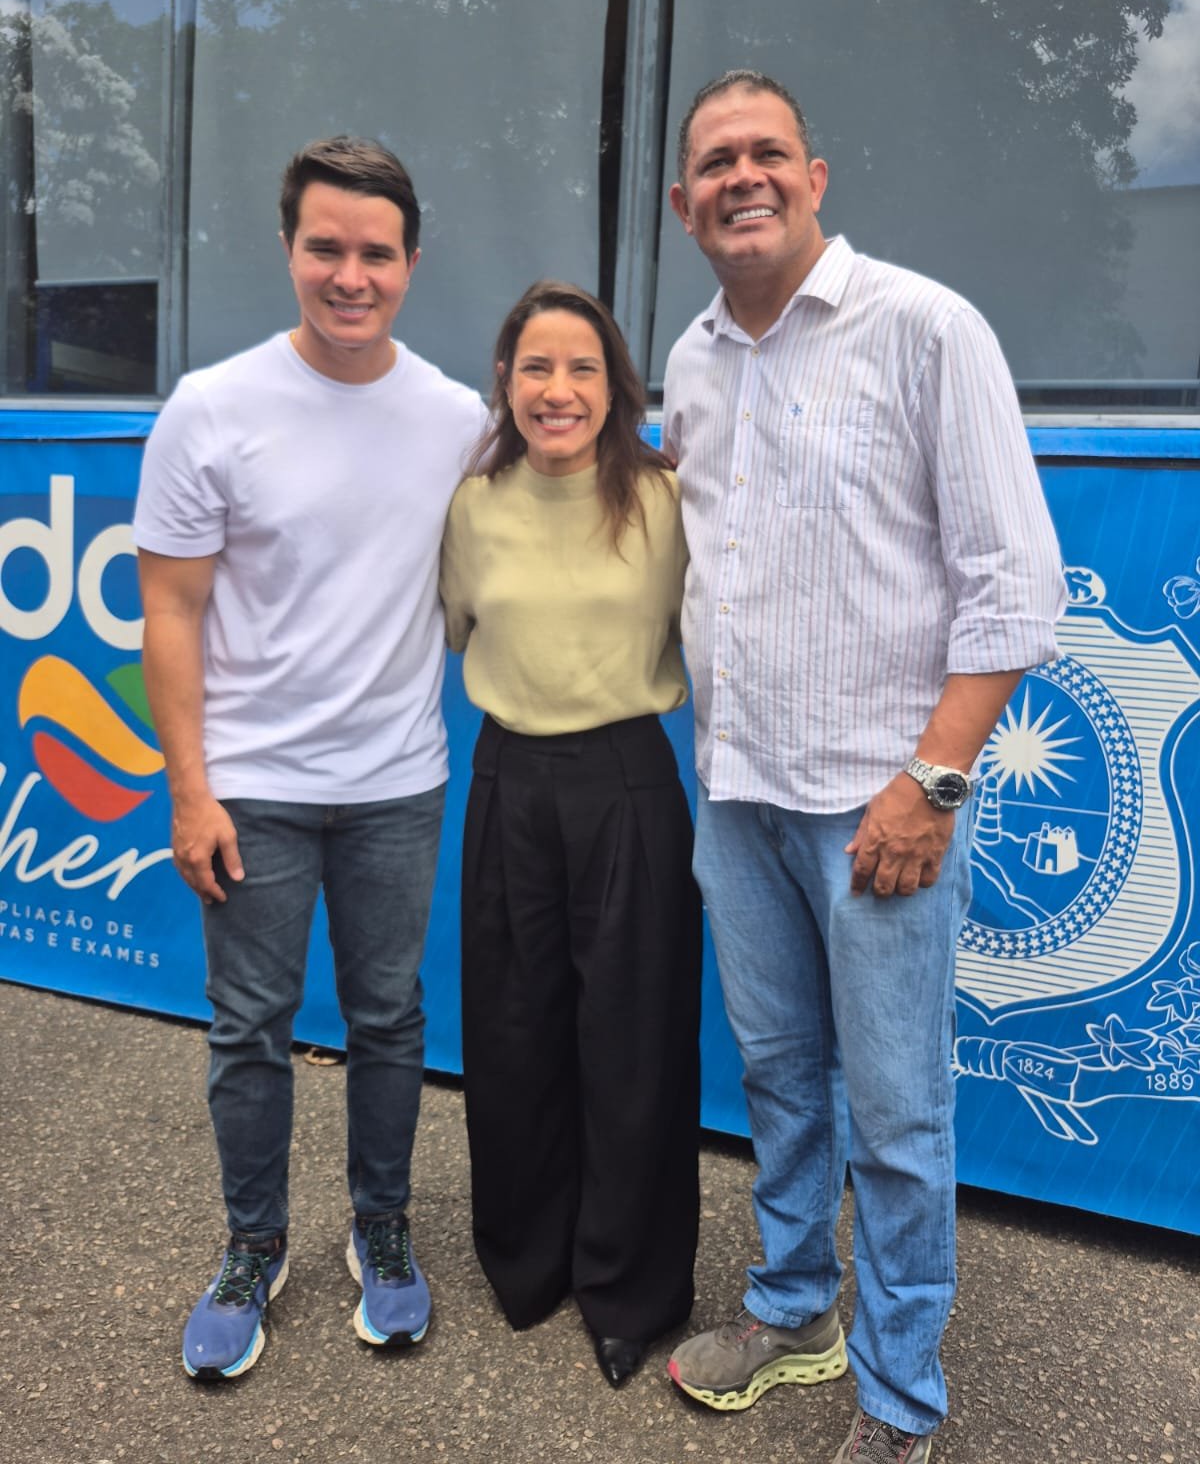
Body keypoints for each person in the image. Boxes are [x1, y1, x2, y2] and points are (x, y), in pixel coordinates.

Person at [660, 71, 1066, 1462]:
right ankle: (793, 1312)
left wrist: (931, 784)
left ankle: (900, 1401)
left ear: (817, 177)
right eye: (717, 161)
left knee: (897, 1113)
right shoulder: (693, 361)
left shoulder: (925, 329)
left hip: (878, 805)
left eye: (767, 152)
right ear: (683, 204)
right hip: (739, 792)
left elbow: (1016, 587)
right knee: (778, 1077)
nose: (744, 176)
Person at [134, 135, 484, 1381]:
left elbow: (568, 489)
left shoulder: (456, 418)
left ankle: (381, 1230)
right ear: (287, 248)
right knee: (249, 1027)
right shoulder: (210, 409)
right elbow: (167, 611)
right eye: (325, 247)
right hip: (253, 793)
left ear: (411, 262)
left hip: (397, 782)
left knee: (391, 1019)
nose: (351, 275)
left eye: (375, 253)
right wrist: (190, 788)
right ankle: (254, 1244)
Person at [439, 280, 702, 1389]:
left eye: (582, 368)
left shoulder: (668, 499)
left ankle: (626, 1286)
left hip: (628, 780)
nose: (559, 389)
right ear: (505, 383)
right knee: (511, 1030)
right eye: (536, 367)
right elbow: (456, 630)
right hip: (509, 777)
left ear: (615, 385)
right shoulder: (471, 505)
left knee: (633, 1044)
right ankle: (527, 1257)